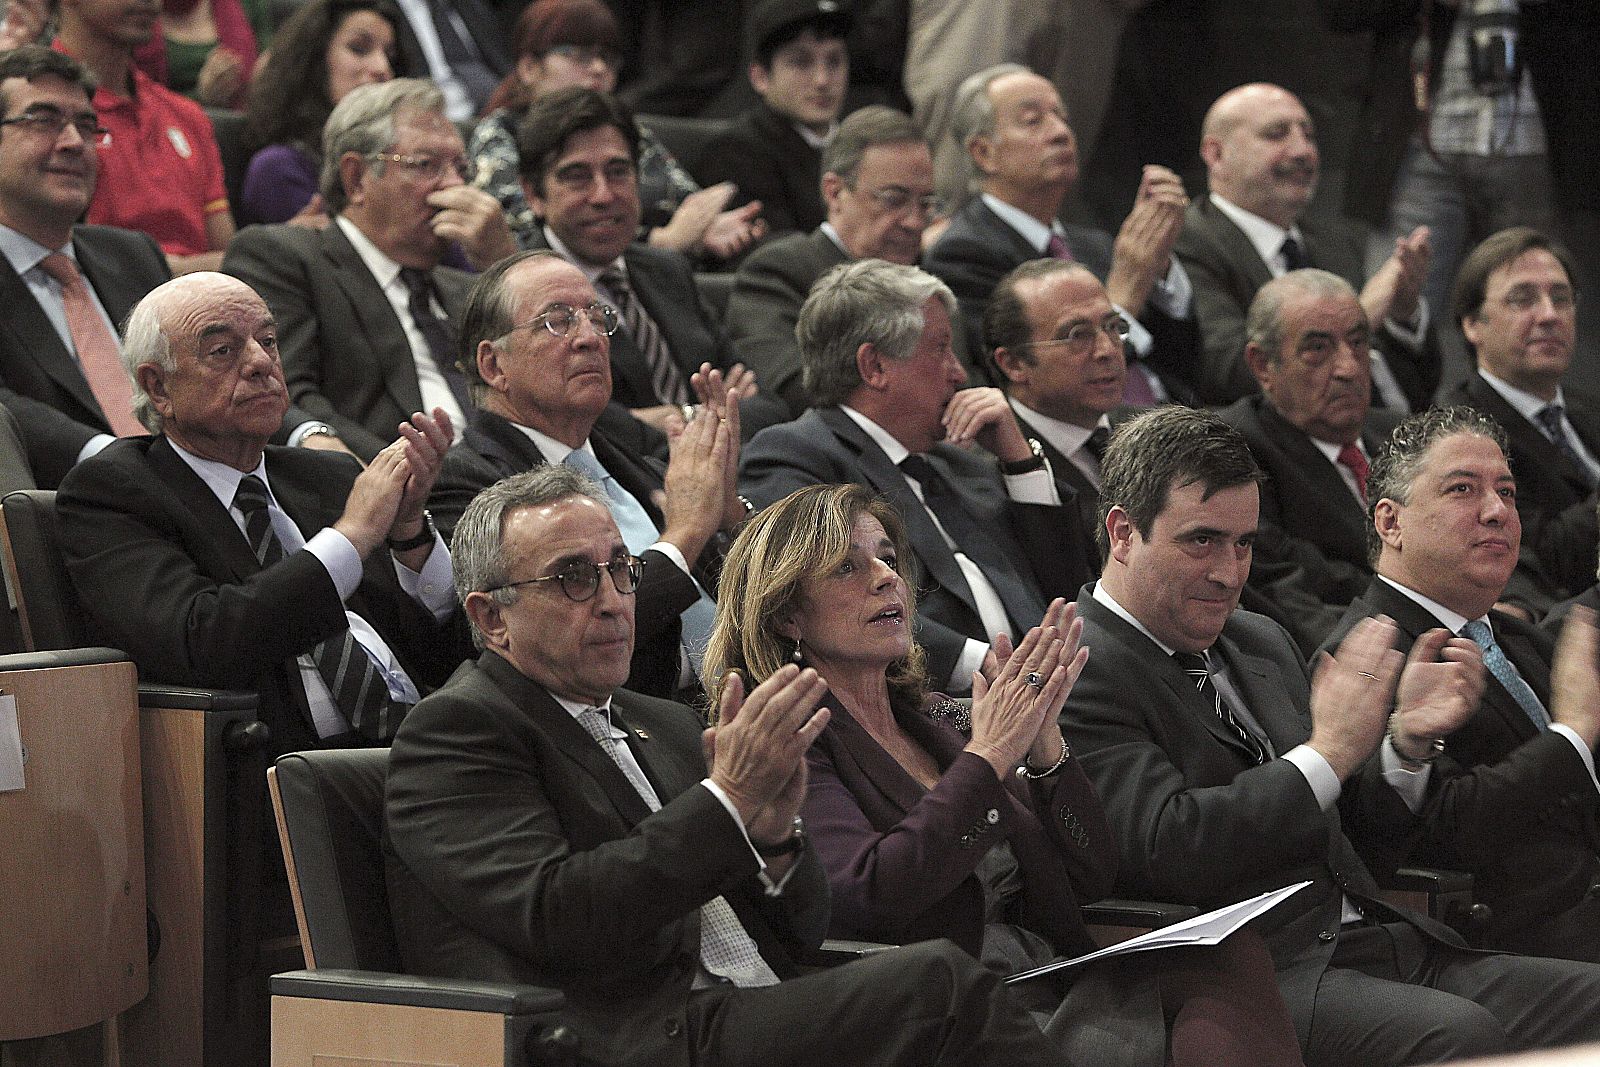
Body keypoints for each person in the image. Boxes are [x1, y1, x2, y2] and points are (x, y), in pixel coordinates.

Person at [383, 463, 1074, 1067]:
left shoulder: (664, 721)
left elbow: (804, 928)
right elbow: (558, 911)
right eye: (572, 577)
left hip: (754, 1006)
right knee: (940, 986)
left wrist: (773, 842)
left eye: (620, 569)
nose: (613, 599)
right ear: (491, 616)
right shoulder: (457, 731)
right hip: (629, 1037)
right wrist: (726, 802)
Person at [703, 481, 1307, 1066]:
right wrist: (989, 757)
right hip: (949, 1009)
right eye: (846, 568)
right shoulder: (795, 744)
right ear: (786, 616)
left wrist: (1047, 755)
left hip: (1050, 969)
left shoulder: (938, 718)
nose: (886, 577)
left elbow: (1092, 877)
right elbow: (868, 896)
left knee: (1227, 959)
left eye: (887, 558)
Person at [1067, 403, 1600, 1065]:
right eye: (1201, 540)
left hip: (1379, 936)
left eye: (1244, 543)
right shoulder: (1080, 667)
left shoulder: (1258, 638)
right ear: (1122, 531)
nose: (1229, 572)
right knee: (1462, 1036)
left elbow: (1357, 826)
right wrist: (1328, 754)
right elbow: (1175, 844)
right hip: (1242, 980)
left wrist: (1405, 745)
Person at [1325, 406, 1600, 962]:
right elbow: (1444, 835)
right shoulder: (1366, 653)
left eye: (1507, 491)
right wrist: (1571, 736)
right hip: (1509, 939)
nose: (1497, 511)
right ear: (1390, 522)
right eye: (1462, 490)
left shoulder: (1520, 640)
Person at [740, 259, 1091, 693]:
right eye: (941, 347)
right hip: (937, 703)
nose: (959, 372)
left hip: (1053, 686)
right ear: (874, 367)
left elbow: (1070, 587)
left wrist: (1021, 463)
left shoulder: (960, 460)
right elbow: (831, 605)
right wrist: (984, 664)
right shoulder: (795, 456)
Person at [430, 250, 747, 699]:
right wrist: (689, 531)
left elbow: (745, 594)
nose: (590, 339)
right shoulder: (468, 484)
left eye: (597, 318)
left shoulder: (627, 453)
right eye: (557, 321)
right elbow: (561, 637)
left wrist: (728, 509)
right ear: (493, 366)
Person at [224, 79, 517, 459]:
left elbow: (546, 379)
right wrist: (415, 472)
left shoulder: (469, 288)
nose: (455, 186)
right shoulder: (284, 258)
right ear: (356, 178)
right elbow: (282, 393)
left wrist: (504, 265)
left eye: (461, 168)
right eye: (426, 165)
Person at [923, 64, 1198, 404]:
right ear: (983, 152)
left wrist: (1159, 265)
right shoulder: (965, 254)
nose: (1060, 132)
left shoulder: (1095, 244)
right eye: (1032, 121)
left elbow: (1187, 363)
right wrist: (1124, 296)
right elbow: (1031, 385)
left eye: (1061, 117)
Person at [515, 87, 779, 437]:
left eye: (618, 171)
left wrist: (672, 418)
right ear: (534, 195)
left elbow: (767, 405)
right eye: (578, 176)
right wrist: (709, 416)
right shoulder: (523, 297)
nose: (604, 195)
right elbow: (578, 429)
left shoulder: (667, 270)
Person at [1176, 82, 1437, 410]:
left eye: (1309, 136)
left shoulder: (1336, 244)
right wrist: (1361, 315)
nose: (1303, 152)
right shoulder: (1189, 241)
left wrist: (1401, 316)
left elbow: (1418, 389)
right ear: (1217, 154)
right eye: (1276, 134)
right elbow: (1229, 375)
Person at [468, 0, 762, 263]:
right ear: (530, 68)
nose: (598, 68)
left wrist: (710, 228)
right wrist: (661, 242)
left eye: (606, 58)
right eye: (580, 55)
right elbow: (525, 234)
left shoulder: (625, 128)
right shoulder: (500, 133)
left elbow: (687, 202)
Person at [0, 45, 172, 486]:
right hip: (63, 513)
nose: (75, 142)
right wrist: (114, 459)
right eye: (44, 120)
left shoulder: (134, 257)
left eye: (86, 124)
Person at [1215, 269, 1399, 651]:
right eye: (1318, 349)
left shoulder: (1401, 435)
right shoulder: (1235, 453)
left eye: (1358, 342)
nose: (1348, 369)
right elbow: (1286, 596)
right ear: (1263, 365)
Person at [725, 104, 946, 417]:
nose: (914, 222)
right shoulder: (777, 273)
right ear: (835, 192)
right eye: (894, 200)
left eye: (925, 204)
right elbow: (793, 387)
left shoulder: (927, 283)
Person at [1443, 227, 1598, 600]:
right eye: (1522, 299)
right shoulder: (1463, 433)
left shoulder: (1584, 411)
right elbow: (1541, 558)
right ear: (1473, 324)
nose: (1549, 315)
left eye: (1561, 299)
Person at [53, 0, 237, 272]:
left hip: (203, 302)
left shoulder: (186, 115)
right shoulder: (37, 119)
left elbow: (228, 252)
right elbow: (61, 261)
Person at [983, 258, 1134, 559]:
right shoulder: (992, 471)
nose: (1107, 350)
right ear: (1014, 364)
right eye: (1077, 335)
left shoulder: (1145, 427)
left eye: (1113, 327)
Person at [239, 0, 406, 226]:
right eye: (359, 48)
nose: (382, 68)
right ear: (315, 59)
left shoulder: (402, 161)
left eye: (390, 57)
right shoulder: (278, 168)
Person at [697, 0, 851, 238]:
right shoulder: (736, 153)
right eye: (801, 62)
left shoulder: (863, 144)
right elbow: (778, 258)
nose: (822, 80)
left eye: (834, 61)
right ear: (760, 77)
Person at [132, 0, 266, 109]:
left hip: (247, 125)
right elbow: (130, 105)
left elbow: (272, 67)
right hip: (166, 130)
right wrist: (201, 97)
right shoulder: (131, 13)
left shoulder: (250, 4)